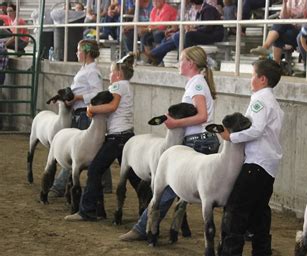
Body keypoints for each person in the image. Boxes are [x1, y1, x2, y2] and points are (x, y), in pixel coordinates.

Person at [119, 46, 220, 241]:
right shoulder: (197, 82)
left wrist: (175, 123)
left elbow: (202, 115)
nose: (178, 64)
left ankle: (143, 228)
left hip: (196, 142)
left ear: (190, 63)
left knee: (168, 186)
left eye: (181, 60)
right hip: (202, 141)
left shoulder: (196, 84)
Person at [204, 59, 284, 256]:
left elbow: (255, 130)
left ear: (262, 79)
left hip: (256, 163)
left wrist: (231, 136)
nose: (251, 79)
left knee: (236, 207)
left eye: (253, 75)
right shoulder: (272, 102)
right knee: (259, 210)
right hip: (267, 164)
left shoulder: (260, 101)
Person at [65, 54, 142, 221]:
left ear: (118, 74)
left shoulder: (116, 87)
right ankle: (148, 204)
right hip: (127, 135)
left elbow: (112, 106)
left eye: (111, 72)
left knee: (94, 170)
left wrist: (91, 109)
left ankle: (87, 211)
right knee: (132, 175)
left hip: (116, 137)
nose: (109, 75)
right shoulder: (127, 86)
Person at [48, 40, 112, 198]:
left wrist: (76, 97)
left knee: (77, 151)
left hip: (86, 113)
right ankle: (105, 184)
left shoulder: (92, 72)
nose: (76, 53)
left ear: (87, 52)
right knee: (90, 150)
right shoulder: (86, 70)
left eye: (78, 50)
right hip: (80, 112)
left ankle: (58, 186)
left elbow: (97, 93)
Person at [145, 0, 223, 67]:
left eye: (195, 6)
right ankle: (156, 58)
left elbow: (208, 28)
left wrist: (193, 29)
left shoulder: (208, 9)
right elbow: (199, 26)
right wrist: (189, 29)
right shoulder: (200, 10)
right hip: (203, 33)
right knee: (173, 37)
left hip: (213, 35)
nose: (194, 8)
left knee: (183, 35)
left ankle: (155, 55)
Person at [250, 0, 307, 65]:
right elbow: (283, 17)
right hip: (292, 28)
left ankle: (266, 49)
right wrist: (284, 3)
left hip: (304, 30)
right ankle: (275, 63)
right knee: (278, 29)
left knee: (279, 30)